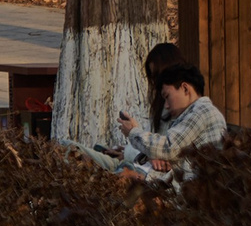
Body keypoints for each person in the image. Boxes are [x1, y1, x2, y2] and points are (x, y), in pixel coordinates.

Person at [82, 63, 227, 184]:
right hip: (168, 184)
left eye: (167, 97)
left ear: (185, 88)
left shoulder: (203, 111)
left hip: (182, 196)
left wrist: (134, 132)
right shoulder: (192, 114)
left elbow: (168, 147)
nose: (167, 106)